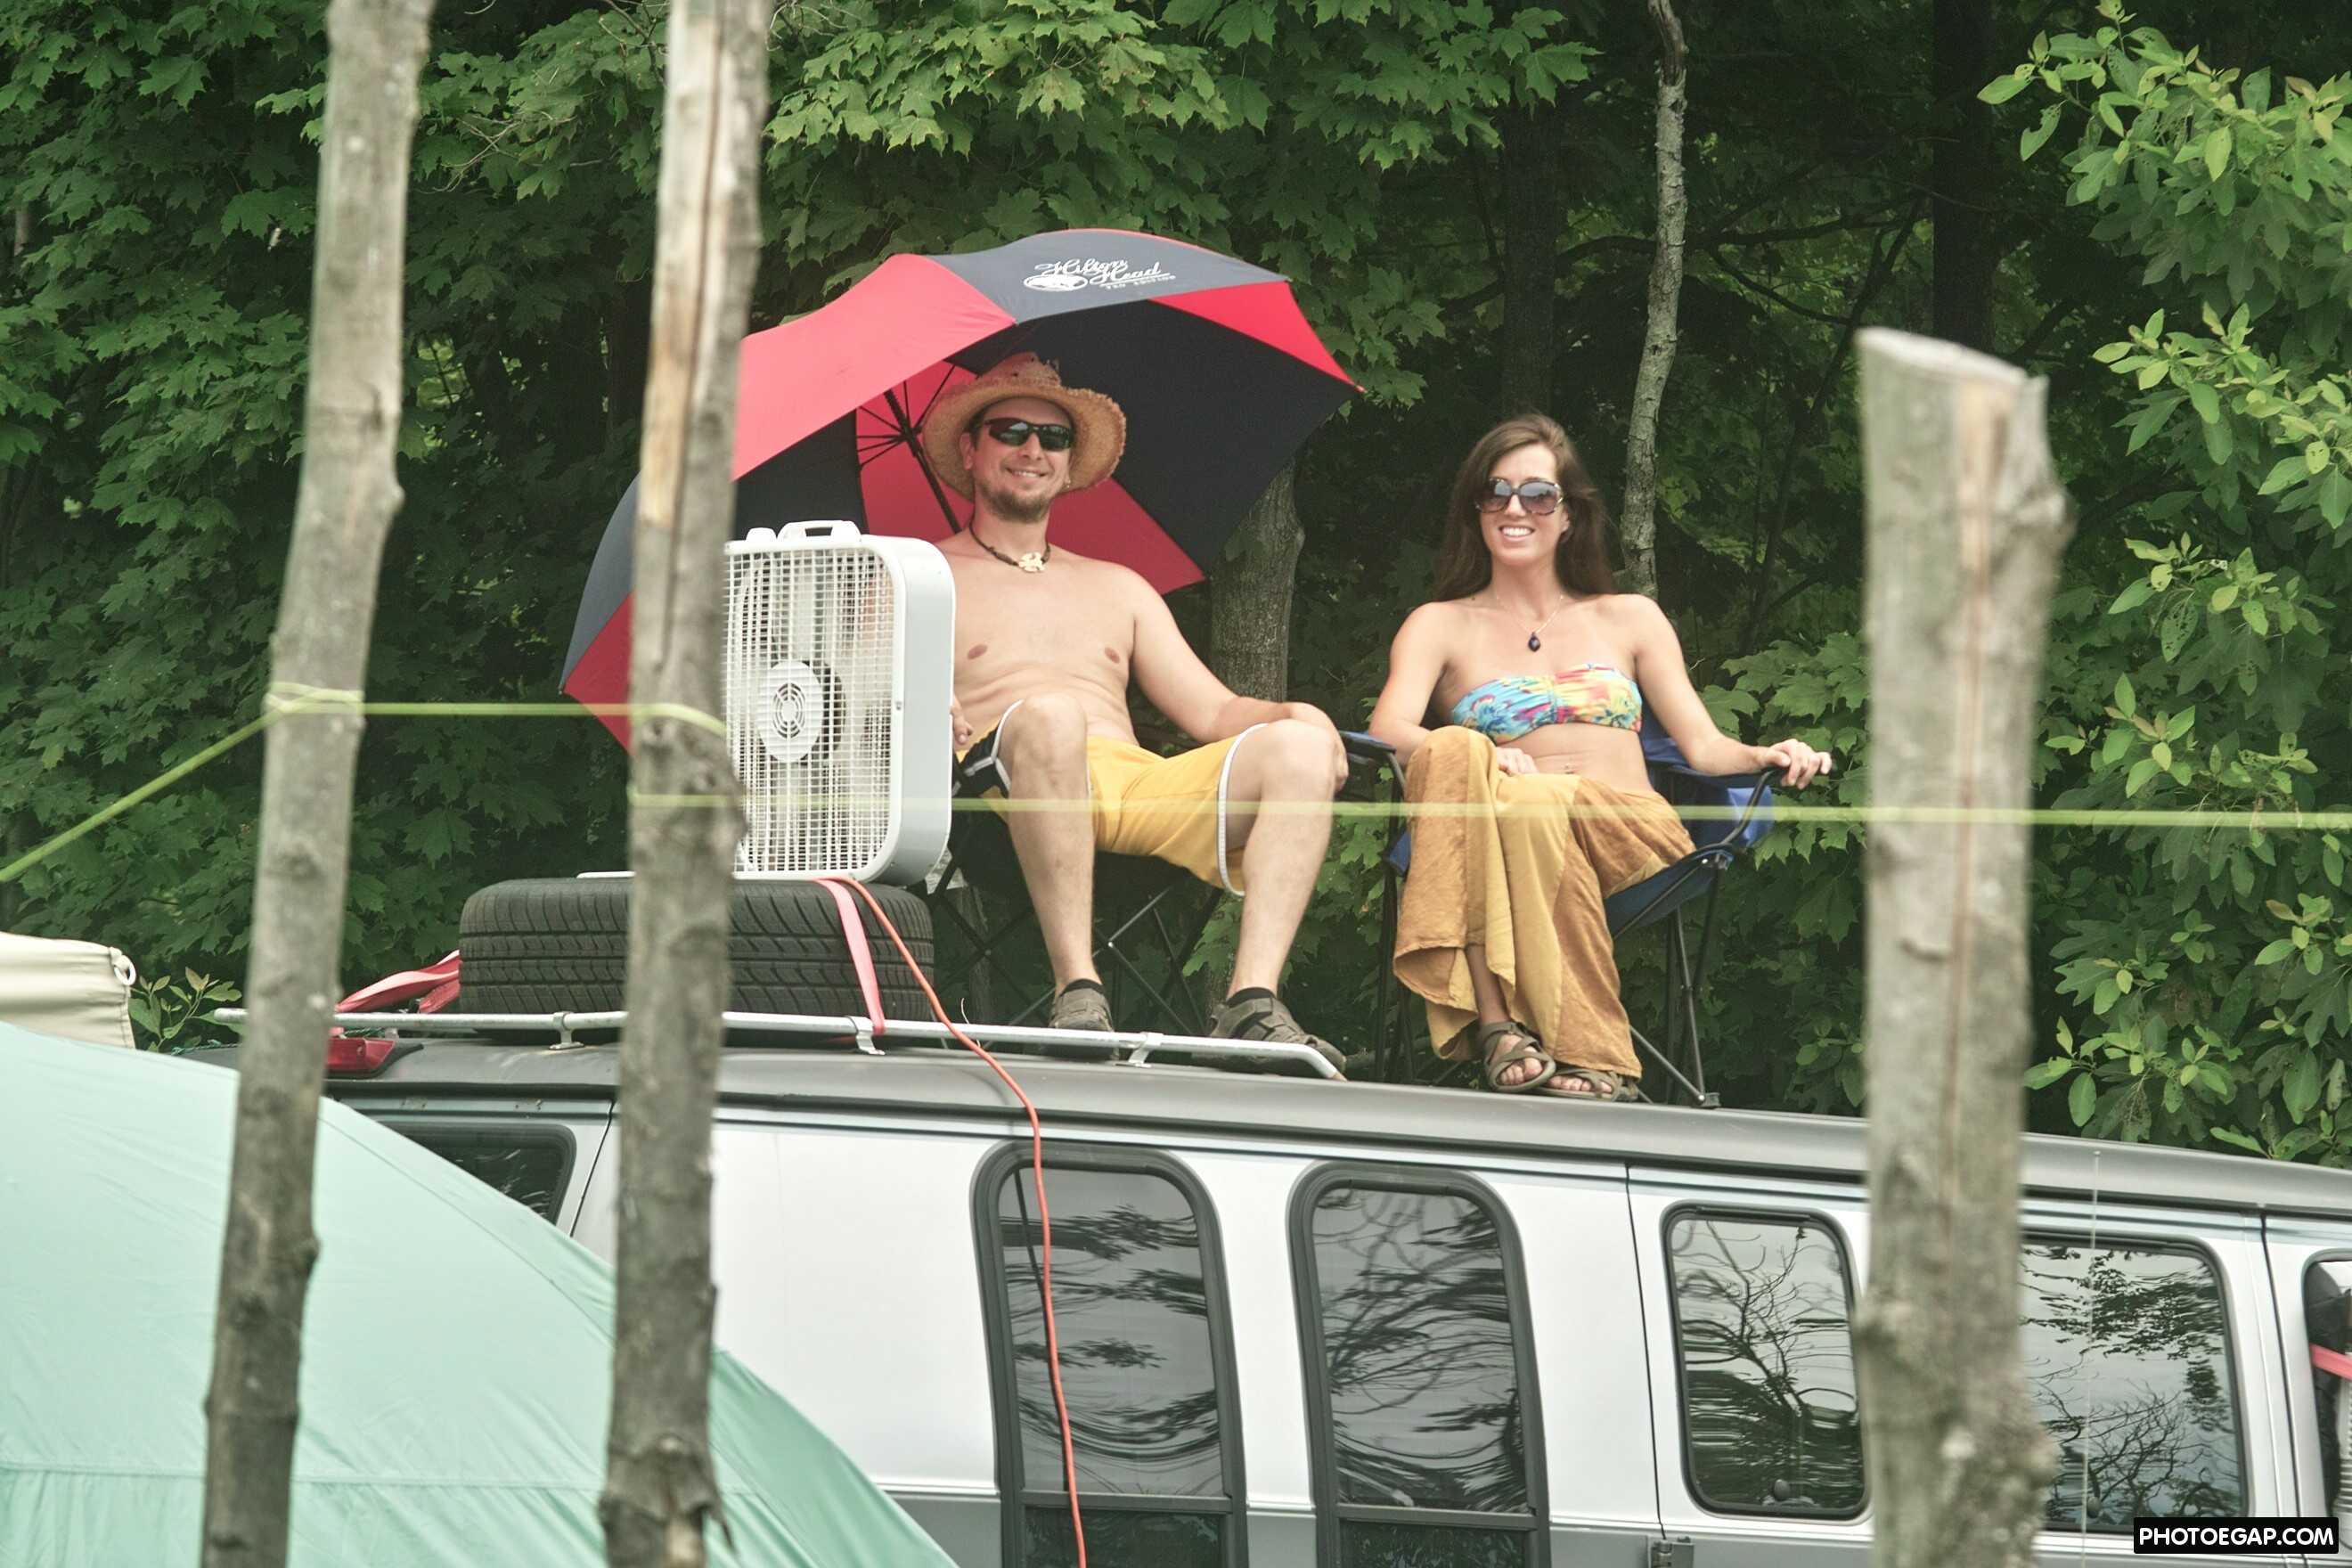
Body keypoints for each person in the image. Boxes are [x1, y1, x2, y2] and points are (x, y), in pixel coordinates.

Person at [1366, 413, 1832, 1099]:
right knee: (1472, 768)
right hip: (1507, 827)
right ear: (1475, 511)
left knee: (1518, 806)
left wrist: (1767, 753)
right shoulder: (1439, 625)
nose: (1515, 508)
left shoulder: (1629, 617)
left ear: (1568, 515)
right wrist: (1483, 757)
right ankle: (1514, 1031)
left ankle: (1521, 1030)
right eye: (1496, 492)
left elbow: (1703, 746)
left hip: (1630, 834)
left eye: (1537, 494)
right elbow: (1388, 729)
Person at [923, 353, 1351, 1066]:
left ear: (1069, 464)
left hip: (1130, 788)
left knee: (1299, 747)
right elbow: (858, 698)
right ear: (970, 450)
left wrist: (1298, 716)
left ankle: (1250, 1002)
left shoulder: (1119, 586)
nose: (1032, 450)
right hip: (997, 799)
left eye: (1054, 438)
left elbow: (1214, 712)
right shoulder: (922, 577)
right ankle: (1077, 988)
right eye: (1011, 431)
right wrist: (914, 691)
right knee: (1053, 715)